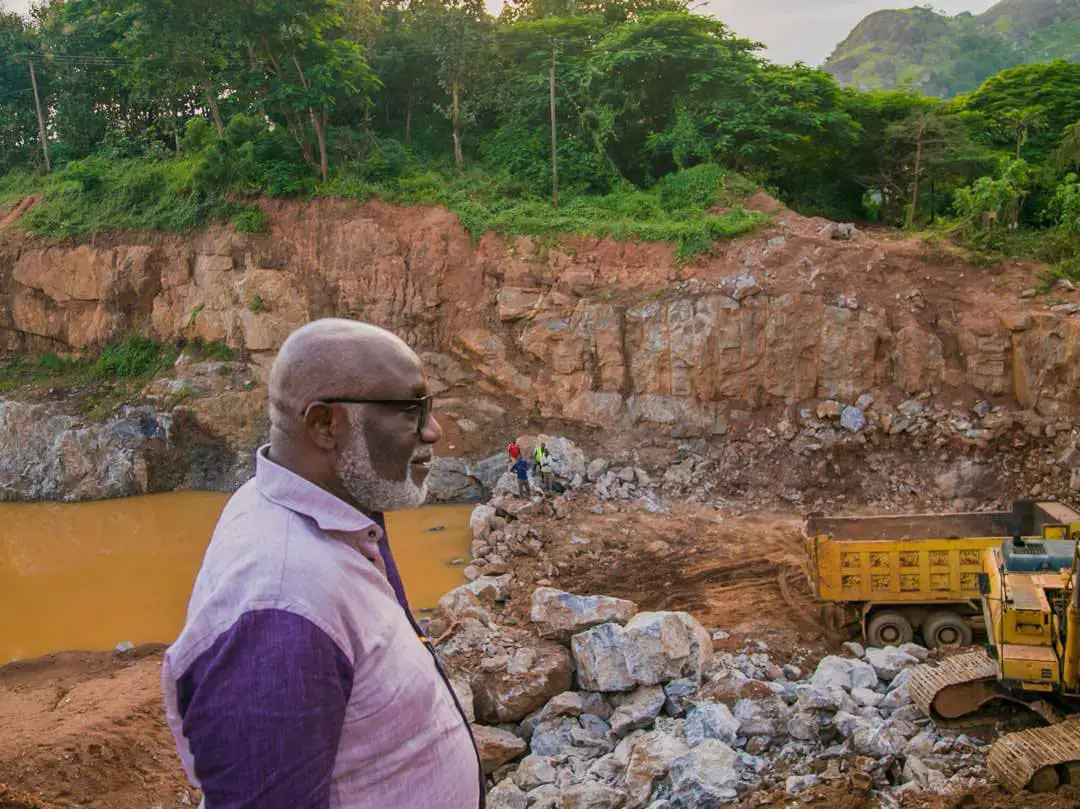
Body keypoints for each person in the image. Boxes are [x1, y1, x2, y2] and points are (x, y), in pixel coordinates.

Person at [161, 319, 483, 809]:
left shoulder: (332, 509)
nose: (433, 431)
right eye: (409, 411)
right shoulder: (280, 604)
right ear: (324, 425)